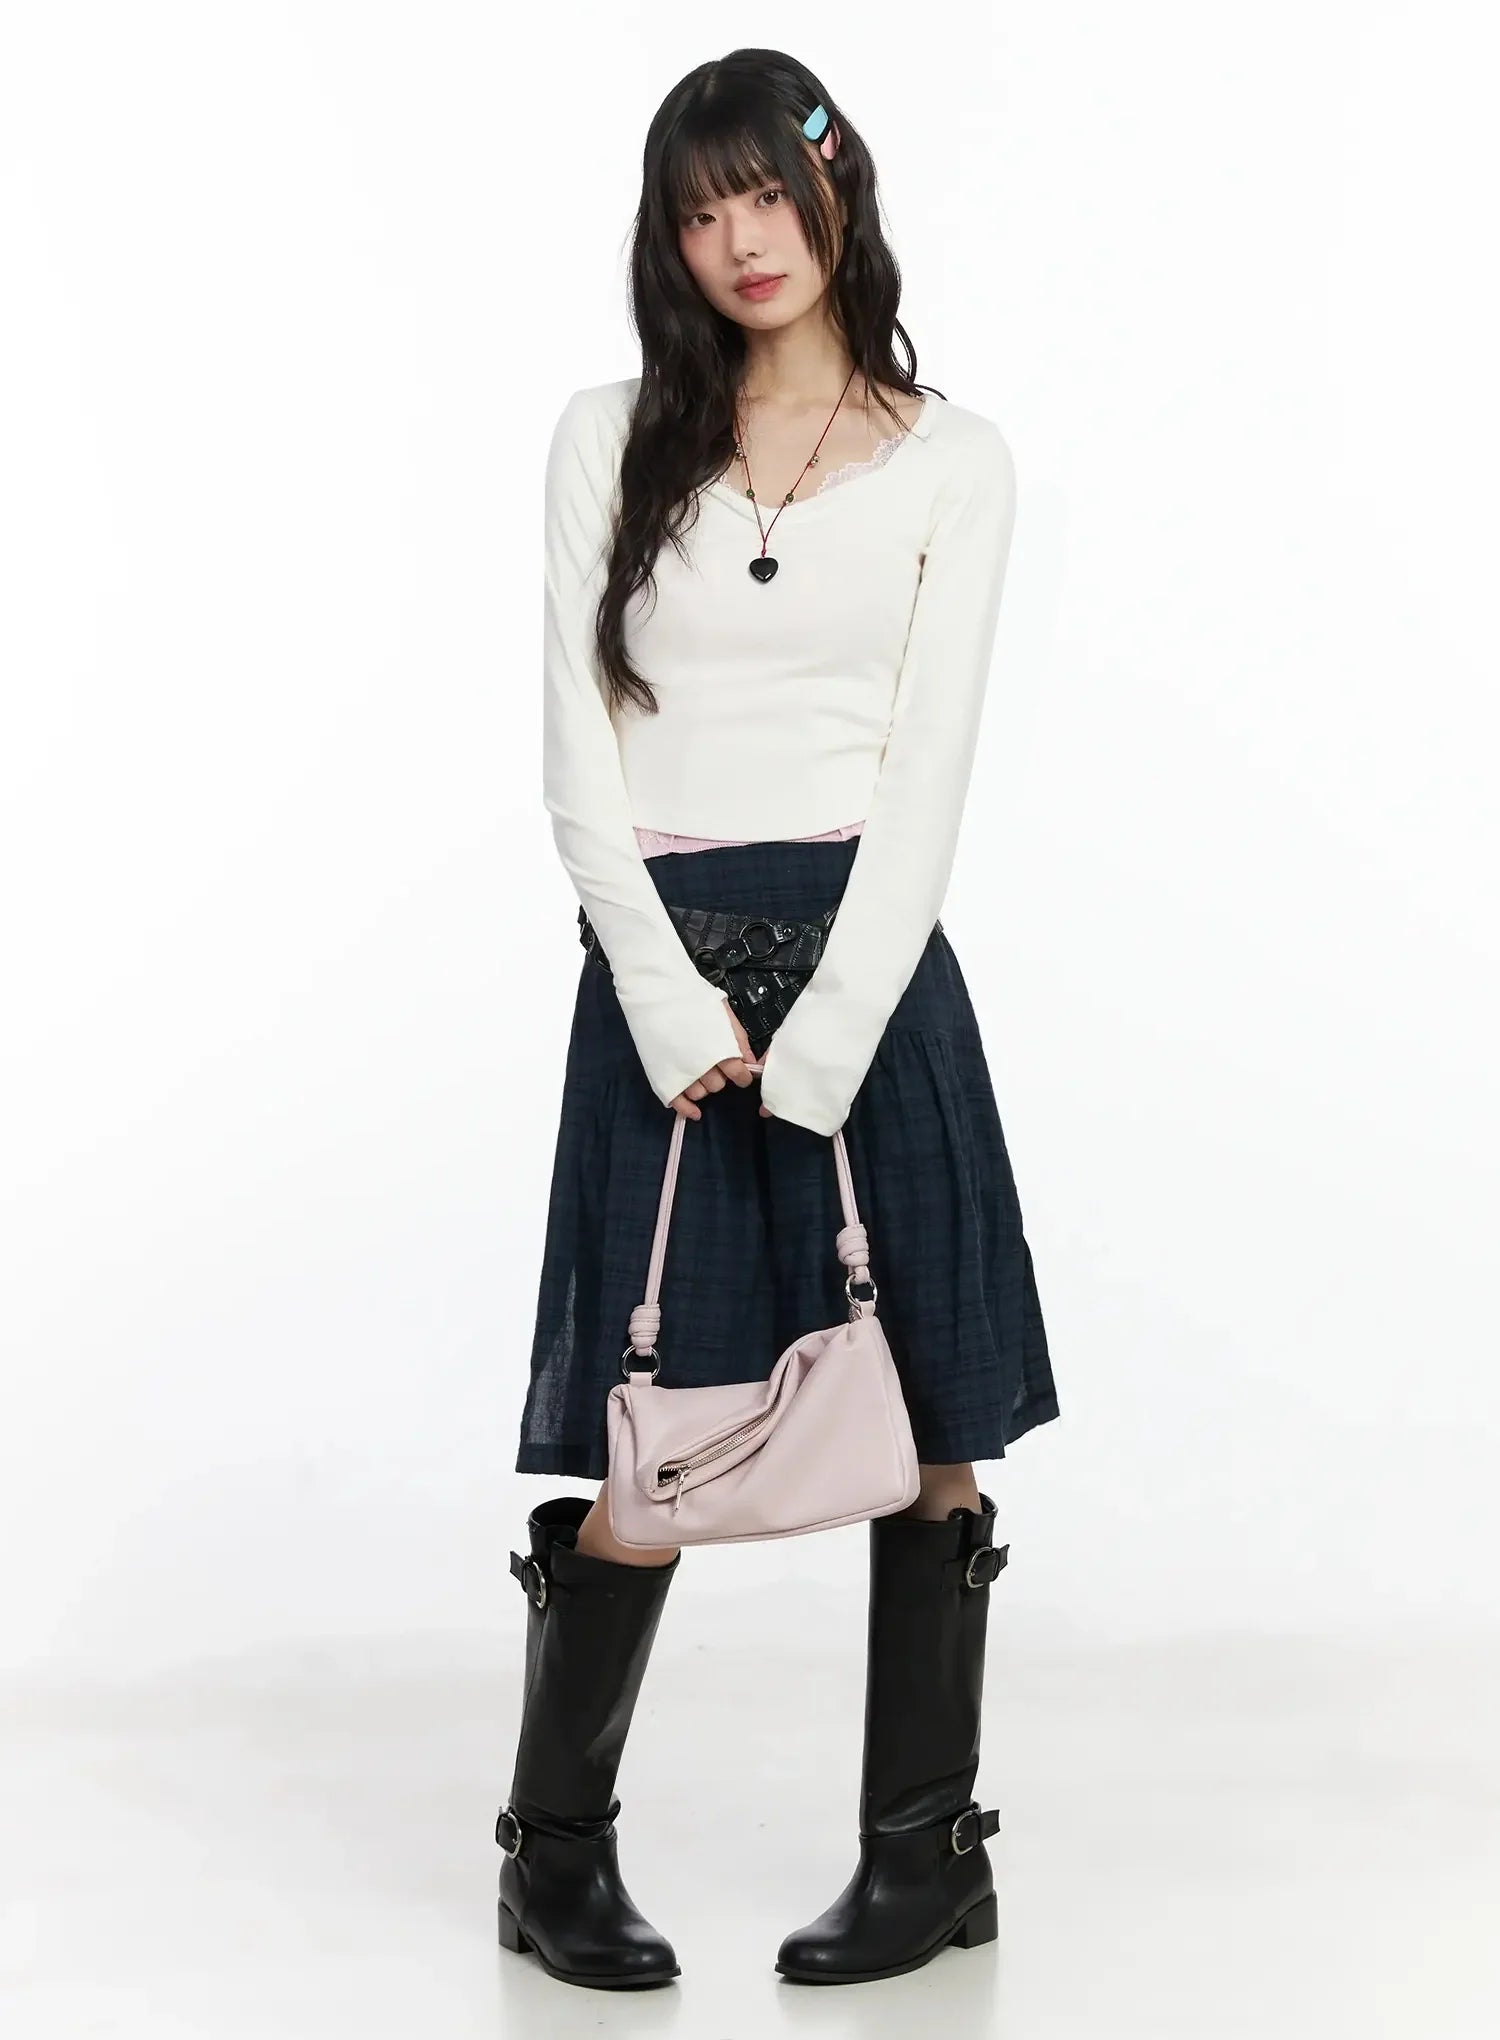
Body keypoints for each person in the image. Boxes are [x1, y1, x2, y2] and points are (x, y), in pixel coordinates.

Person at [494, 48, 1060, 1991]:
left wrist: (823, 1043)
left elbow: (928, 775)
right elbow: (578, 758)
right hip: (662, 987)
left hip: (871, 985)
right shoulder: (607, 438)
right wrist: (668, 1008)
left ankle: (925, 1858)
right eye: (695, 210)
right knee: (650, 1426)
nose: (738, 240)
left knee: (930, 1425)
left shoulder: (955, 460)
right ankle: (555, 1857)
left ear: (834, 189)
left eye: (762, 193)